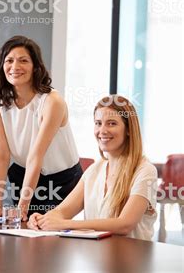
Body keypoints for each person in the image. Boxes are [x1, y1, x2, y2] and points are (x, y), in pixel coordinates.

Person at [28, 95, 158, 240]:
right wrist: (43, 219)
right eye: (98, 123)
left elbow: (125, 224)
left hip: (132, 259)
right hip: (96, 257)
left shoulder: (145, 171)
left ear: (128, 129)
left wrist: (65, 224)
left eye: (111, 123)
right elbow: (62, 211)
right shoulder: (94, 171)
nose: (102, 130)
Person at [0, 35, 82, 221]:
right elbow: (2, 154)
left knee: (50, 233)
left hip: (62, 180)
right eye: (9, 60)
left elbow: (36, 156)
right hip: (23, 174)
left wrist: (22, 207)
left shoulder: (52, 101)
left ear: (35, 67)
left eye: (23, 60)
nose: (15, 67)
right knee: (24, 233)